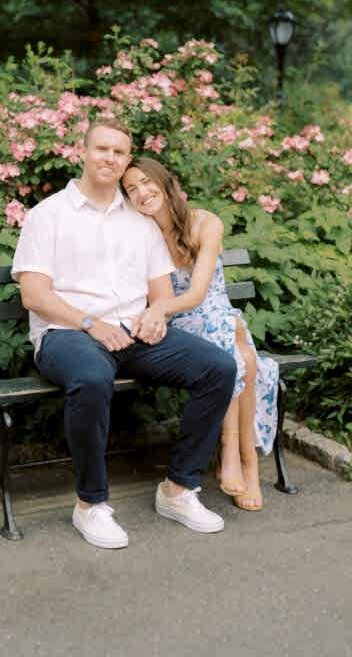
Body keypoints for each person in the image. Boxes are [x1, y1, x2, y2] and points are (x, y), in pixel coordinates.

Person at [12, 118, 237, 550]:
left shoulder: (139, 221)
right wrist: (90, 323)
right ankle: (90, 504)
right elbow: (33, 295)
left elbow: (158, 293)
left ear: (126, 161)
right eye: (102, 149)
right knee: (93, 378)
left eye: (119, 152)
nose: (110, 159)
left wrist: (155, 315)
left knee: (218, 368)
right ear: (82, 151)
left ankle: (177, 490)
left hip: (132, 332)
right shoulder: (48, 216)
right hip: (67, 333)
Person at [121, 157, 279, 512]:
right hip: (177, 327)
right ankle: (239, 458)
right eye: (131, 189)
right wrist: (157, 312)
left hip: (209, 312)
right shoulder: (140, 234)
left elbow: (197, 295)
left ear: (165, 183)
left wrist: (158, 308)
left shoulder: (206, 222)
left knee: (229, 338)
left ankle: (237, 456)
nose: (142, 193)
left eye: (147, 182)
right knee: (242, 354)